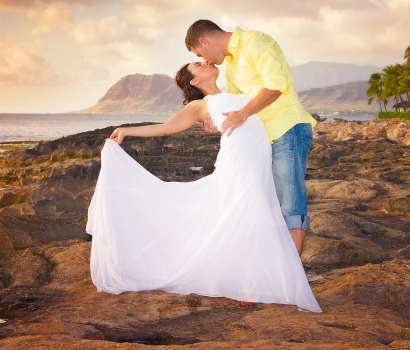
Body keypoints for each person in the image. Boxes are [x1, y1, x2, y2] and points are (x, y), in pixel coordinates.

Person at [85, 62, 321, 313]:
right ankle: (246, 282)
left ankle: (255, 277)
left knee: (253, 213)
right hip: (239, 160)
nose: (206, 62)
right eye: (198, 64)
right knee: (250, 213)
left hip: (257, 157)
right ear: (194, 81)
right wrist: (126, 130)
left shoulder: (235, 90)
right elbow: (165, 127)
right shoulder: (199, 106)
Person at [185, 20, 315, 257]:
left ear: (204, 41)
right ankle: (276, 271)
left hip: (287, 129)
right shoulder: (231, 64)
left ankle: (291, 276)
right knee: (269, 204)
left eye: (199, 53)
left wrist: (243, 113)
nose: (205, 60)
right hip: (265, 139)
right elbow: (234, 102)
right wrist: (211, 116)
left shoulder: (255, 41)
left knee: (290, 204)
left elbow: (277, 84)